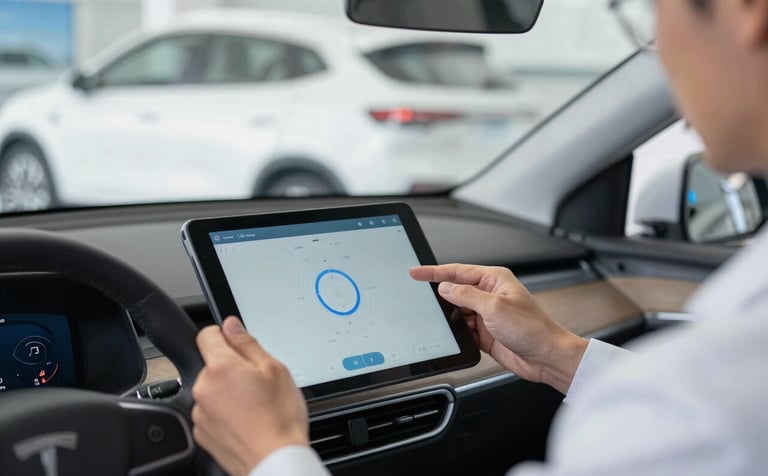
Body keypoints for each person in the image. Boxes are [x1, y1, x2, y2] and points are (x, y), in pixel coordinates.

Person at [191, 0, 768, 474]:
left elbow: (693, 419)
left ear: (746, 12)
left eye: (647, 15)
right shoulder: (718, 388)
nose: (660, 49)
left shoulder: (710, 405)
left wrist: (270, 454)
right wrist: (562, 355)